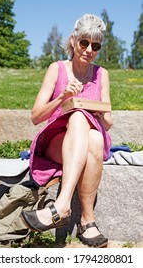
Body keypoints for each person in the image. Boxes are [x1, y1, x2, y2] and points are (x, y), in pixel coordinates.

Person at [21, 13, 113, 248]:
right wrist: (63, 97)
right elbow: (35, 116)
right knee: (79, 118)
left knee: (93, 134)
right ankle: (84, 219)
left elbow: (108, 122)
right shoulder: (56, 69)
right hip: (56, 141)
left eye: (95, 45)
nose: (89, 49)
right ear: (73, 41)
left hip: (92, 140)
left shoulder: (102, 74)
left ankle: (71, 211)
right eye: (84, 42)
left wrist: (101, 114)